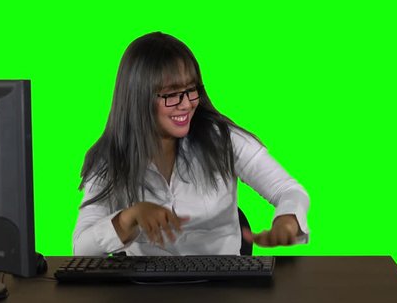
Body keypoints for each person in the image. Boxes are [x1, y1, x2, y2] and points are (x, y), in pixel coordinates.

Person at [73, 32, 309, 256]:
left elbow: (287, 190)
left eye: (191, 90)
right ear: (139, 97)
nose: (186, 104)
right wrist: (128, 218)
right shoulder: (109, 158)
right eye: (172, 94)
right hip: (146, 291)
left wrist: (287, 220)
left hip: (222, 287)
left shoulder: (225, 139)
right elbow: (81, 248)